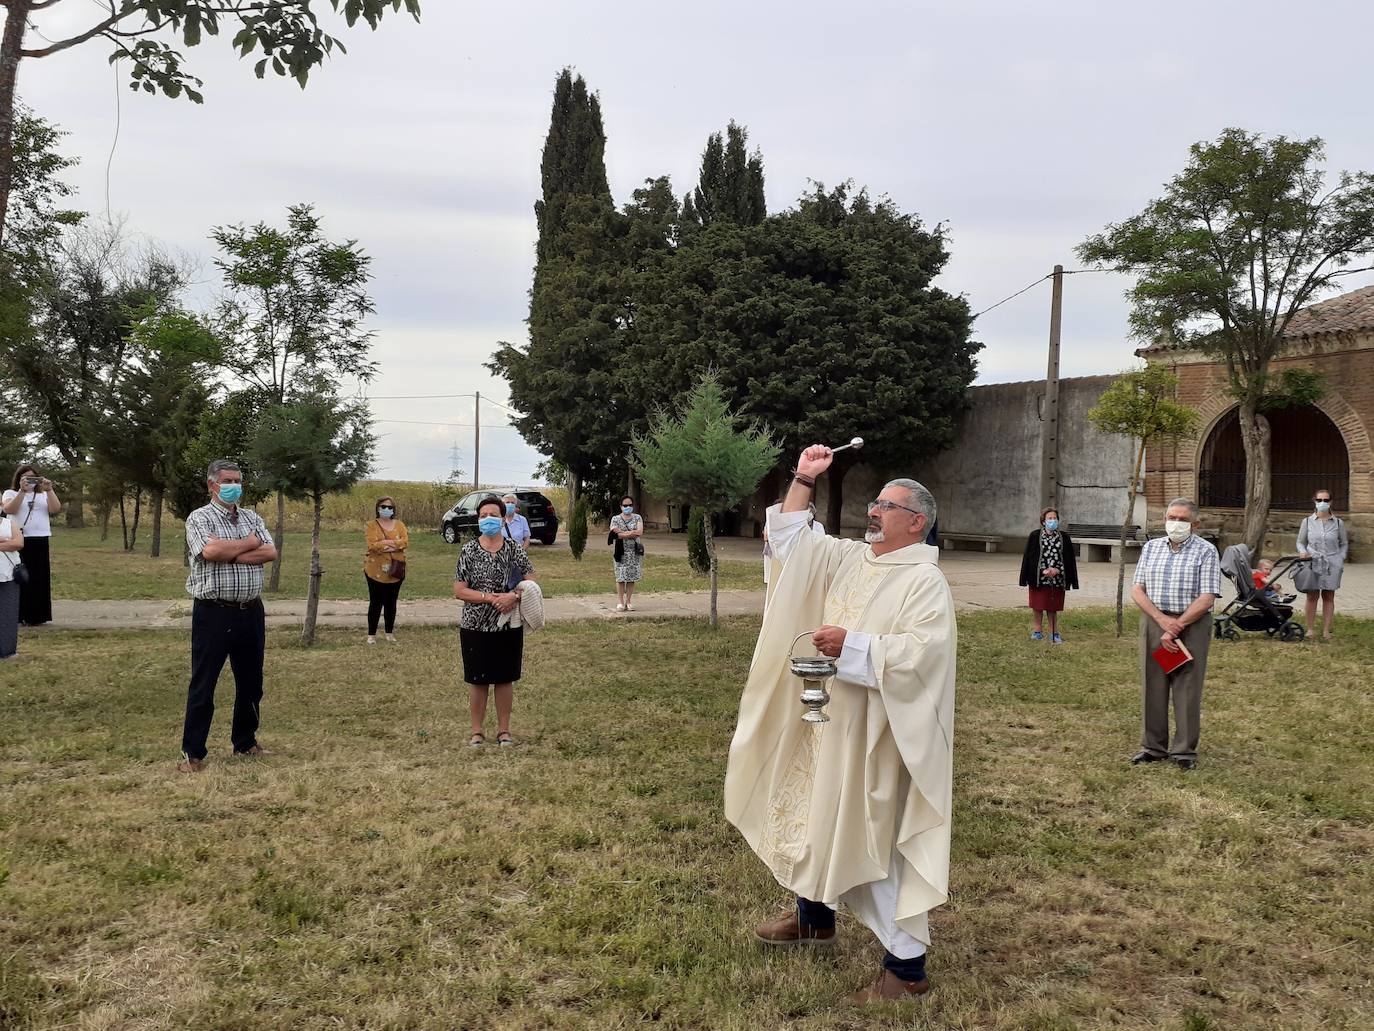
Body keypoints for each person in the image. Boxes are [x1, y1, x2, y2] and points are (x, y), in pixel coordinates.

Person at [725, 445, 956, 1004]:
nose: (873, 510)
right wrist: (803, 477)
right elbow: (792, 543)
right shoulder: (855, 557)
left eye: (886, 505)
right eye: (875, 502)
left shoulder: (925, 582)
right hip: (825, 719)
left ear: (915, 522)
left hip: (877, 733)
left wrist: (855, 647)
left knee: (870, 834)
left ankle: (907, 970)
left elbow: (923, 655)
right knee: (810, 812)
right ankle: (813, 918)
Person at [178, 459, 278, 773]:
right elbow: (209, 553)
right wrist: (249, 543)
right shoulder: (199, 518)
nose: (234, 486)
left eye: (238, 480)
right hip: (213, 613)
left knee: (251, 681)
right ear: (212, 485)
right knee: (204, 683)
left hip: (251, 611)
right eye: (227, 481)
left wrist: (230, 549)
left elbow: (270, 552)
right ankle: (193, 753)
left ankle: (245, 742)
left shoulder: (252, 517)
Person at [1129, 498, 1220, 772]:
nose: (1175, 523)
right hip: (1156, 622)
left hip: (1191, 625)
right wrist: (1161, 621)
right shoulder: (1151, 548)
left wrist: (1177, 625)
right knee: (1153, 684)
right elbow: (1137, 589)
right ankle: (1152, 747)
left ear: (1195, 524)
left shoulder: (1206, 551)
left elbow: (1207, 596)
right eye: (1171, 517)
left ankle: (1184, 750)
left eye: (1182, 519)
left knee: (1187, 687)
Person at [454, 496, 536, 746]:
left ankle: (504, 731)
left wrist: (514, 596)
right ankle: (477, 731)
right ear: (477, 520)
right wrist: (489, 598)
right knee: (477, 680)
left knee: (504, 677)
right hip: (475, 624)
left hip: (508, 623)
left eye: (493, 515)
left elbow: (530, 579)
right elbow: (459, 589)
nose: (488, 519)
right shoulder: (468, 550)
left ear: (503, 518)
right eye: (482, 516)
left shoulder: (514, 548)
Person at [2, 464, 62, 626]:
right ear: (19, 479)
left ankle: (38, 615)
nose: (30, 481)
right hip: (19, 540)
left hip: (40, 539)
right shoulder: (11, 493)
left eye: (33, 478)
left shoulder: (42, 495)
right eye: (26, 478)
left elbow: (55, 508)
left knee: (39, 578)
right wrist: (22, 491)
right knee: (20, 576)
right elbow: (9, 509)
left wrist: (49, 490)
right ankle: (19, 614)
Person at [1018, 508, 1079, 644]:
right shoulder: (1035, 536)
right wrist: (1041, 571)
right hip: (1039, 578)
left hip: (1056, 579)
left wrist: (1058, 570)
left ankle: (1053, 633)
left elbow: (1069, 559)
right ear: (1043, 521)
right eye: (1049, 518)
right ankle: (1037, 631)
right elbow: (1029, 557)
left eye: (1054, 518)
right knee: (1037, 606)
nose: (1052, 521)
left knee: (1053, 607)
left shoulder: (1064, 537)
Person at [1296, 489, 1347, 642]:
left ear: (1330, 502)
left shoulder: (1338, 523)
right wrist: (1302, 552)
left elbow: (1344, 543)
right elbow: (1300, 541)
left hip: (1332, 563)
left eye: (1325, 500)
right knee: (1312, 596)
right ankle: (1310, 629)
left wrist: (1340, 558)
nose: (1322, 503)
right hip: (1313, 562)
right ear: (1314, 501)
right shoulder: (1307, 521)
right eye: (1319, 500)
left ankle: (1326, 630)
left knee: (1328, 596)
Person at [363, 496, 409, 645]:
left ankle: (389, 632)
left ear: (393, 509)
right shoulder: (371, 525)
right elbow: (372, 545)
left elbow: (405, 542)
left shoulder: (400, 525)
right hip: (375, 570)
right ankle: (371, 635)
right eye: (383, 506)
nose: (386, 509)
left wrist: (385, 543)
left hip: (396, 569)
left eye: (390, 507)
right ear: (378, 508)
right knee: (376, 602)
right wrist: (394, 544)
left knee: (391, 602)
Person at [761, 500, 824, 594]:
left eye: (810, 511)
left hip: (807, 554)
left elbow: (821, 539)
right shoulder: (789, 524)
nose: (809, 514)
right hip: (780, 552)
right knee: (775, 576)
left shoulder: (818, 526)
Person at [610, 496, 644, 612]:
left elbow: (639, 532)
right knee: (620, 577)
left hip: (634, 552)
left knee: (631, 577)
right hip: (620, 551)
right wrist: (632, 533)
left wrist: (624, 533)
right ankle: (620, 602)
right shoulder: (615, 519)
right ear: (621, 506)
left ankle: (628, 601)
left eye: (630, 505)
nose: (627, 507)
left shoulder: (638, 517)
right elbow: (615, 534)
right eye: (625, 505)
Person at [0, 509, 23, 660]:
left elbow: (19, 543)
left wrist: (6, 543)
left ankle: (7, 651)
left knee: (8, 614)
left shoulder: (10, 523)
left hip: (8, 575)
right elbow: (12, 543)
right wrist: (6, 543)